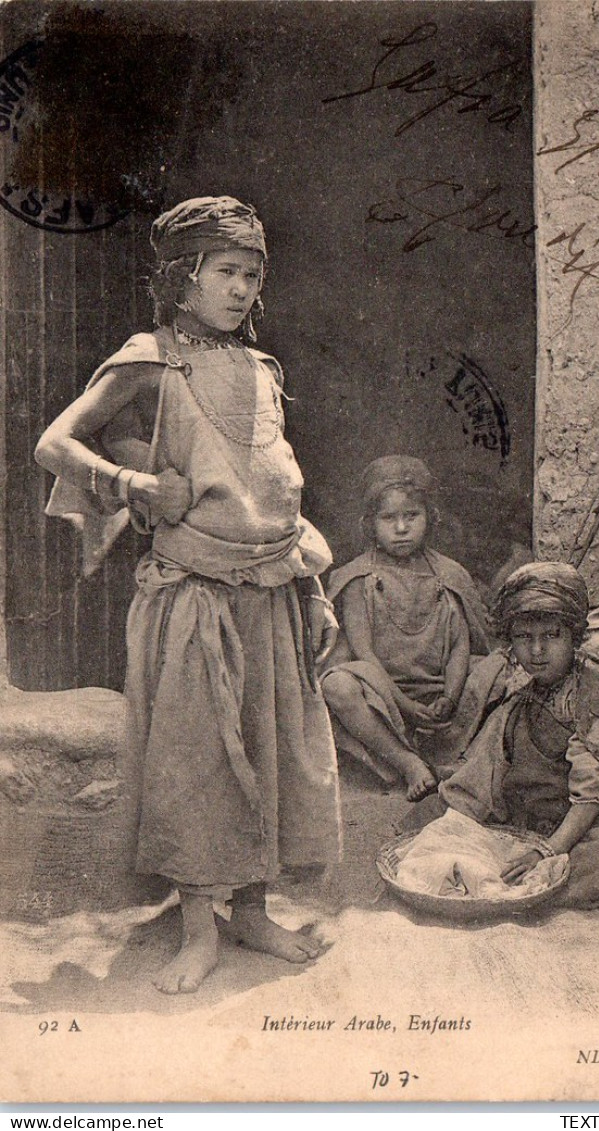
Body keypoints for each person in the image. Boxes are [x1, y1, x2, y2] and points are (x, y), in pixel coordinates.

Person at [35, 195, 341, 992]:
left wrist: (315, 585)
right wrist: (131, 478)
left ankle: (252, 910)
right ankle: (199, 929)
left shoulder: (259, 367)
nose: (241, 290)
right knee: (200, 761)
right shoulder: (151, 355)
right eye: (226, 273)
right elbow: (53, 442)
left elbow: (272, 484)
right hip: (196, 593)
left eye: (252, 275)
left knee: (268, 750)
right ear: (182, 278)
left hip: (272, 587)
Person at [433, 561, 599, 910]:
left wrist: (549, 849)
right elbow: (486, 767)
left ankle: (537, 886)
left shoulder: (590, 702)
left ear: (575, 637)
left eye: (551, 636)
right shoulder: (518, 697)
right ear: (511, 642)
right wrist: (460, 819)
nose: (537, 651)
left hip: (583, 826)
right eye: (524, 638)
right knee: (453, 837)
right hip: (528, 821)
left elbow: (591, 795)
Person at [321, 456, 490, 801]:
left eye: (411, 516)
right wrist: (404, 704)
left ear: (430, 518)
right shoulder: (356, 577)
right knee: (337, 685)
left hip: (441, 693)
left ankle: (460, 760)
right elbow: (364, 653)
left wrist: (450, 696)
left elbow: (460, 644)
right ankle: (406, 761)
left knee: (499, 673)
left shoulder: (449, 574)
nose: (401, 528)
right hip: (384, 698)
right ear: (370, 524)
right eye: (388, 518)